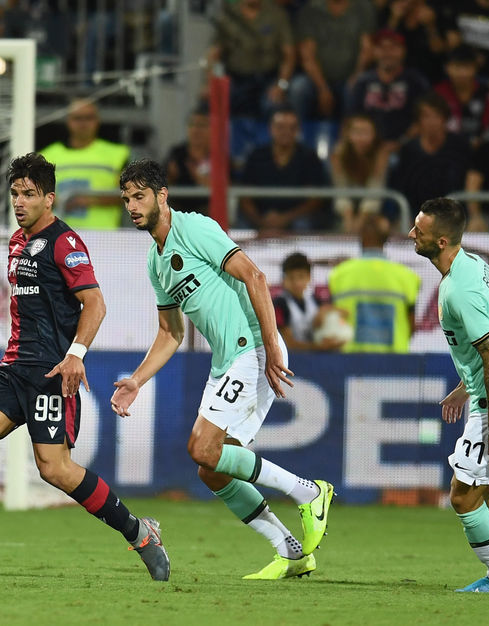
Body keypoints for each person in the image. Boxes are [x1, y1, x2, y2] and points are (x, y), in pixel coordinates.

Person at [0, 153, 170, 581]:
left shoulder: (65, 243)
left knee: (55, 469)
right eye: (15, 193)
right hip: (14, 366)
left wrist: (76, 354)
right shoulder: (16, 242)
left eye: (29, 194)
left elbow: (95, 303)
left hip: (51, 373)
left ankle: (140, 532)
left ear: (49, 199)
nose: (19, 202)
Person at [111, 158, 334, 580]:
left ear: (162, 195)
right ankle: (290, 552)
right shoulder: (156, 261)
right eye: (126, 199)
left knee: (202, 448)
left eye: (140, 197)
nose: (132, 207)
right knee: (211, 469)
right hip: (227, 359)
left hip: (252, 348)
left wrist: (271, 346)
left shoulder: (194, 229)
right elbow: (171, 333)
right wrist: (137, 380)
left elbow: (255, 277)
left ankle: (308, 492)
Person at [409, 197, 489, 593]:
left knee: (463, 498)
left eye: (419, 231)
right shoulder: (474, 265)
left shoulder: (458, 290)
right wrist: (463, 389)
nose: (411, 234)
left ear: (441, 241)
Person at [328, 214, 420, 353]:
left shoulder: (338, 275)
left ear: (361, 236)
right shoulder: (407, 277)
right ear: (386, 238)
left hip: (349, 361)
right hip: (395, 362)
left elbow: (331, 320)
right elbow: (411, 326)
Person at [40, 98, 130, 230]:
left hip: (103, 235)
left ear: (97, 120)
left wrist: (88, 201)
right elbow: (35, 196)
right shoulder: (47, 156)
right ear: (68, 121)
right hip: (58, 234)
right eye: (77, 118)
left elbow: (129, 193)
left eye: (89, 118)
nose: (83, 123)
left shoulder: (118, 154)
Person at [236, 107, 331, 232]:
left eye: (292, 127)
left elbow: (315, 200)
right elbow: (244, 196)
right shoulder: (256, 156)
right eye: (280, 127)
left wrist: (285, 219)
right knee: (241, 225)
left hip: (296, 218)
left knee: (303, 224)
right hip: (260, 218)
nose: (286, 132)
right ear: (271, 129)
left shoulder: (309, 157)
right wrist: (261, 221)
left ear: (298, 130)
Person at [387, 92, 469, 228]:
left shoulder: (460, 146)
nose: (431, 122)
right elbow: (401, 187)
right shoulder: (408, 150)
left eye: (436, 116)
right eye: (426, 116)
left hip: (454, 214)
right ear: (419, 121)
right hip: (415, 214)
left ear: (445, 119)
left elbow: (466, 184)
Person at [206, 0, 296, 118]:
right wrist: (210, 83)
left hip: (268, 79)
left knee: (274, 107)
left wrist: (281, 85)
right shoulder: (228, 15)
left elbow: (289, 55)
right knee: (215, 104)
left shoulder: (277, 14)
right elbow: (214, 54)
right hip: (237, 79)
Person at [290, 0, 376, 121]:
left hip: (351, 76)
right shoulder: (310, 10)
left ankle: (350, 131)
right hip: (316, 79)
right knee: (298, 88)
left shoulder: (363, 7)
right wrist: (322, 88)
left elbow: (367, 49)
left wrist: (356, 76)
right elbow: (307, 56)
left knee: (357, 87)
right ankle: (297, 131)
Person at [348, 28, 430, 149]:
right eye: (382, 48)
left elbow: (424, 120)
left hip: (407, 149)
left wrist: (399, 144)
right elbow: (352, 120)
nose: (387, 53)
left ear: (403, 51)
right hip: (368, 148)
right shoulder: (363, 82)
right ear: (374, 51)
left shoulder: (416, 81)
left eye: (393, 48)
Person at [329, 113, 392, 233]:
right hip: (344, 212)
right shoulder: (338, 154)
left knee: (380, 226)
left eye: (366, 132)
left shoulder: (381, 154)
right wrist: (348, 219)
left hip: (375, 210)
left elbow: (375, 191)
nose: (361, 138)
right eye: (357, 132)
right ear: (348, 134)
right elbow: (340, 191)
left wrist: (360, 220)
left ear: (374, 134)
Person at [273, 252, 347, 352]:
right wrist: (320, 347)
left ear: (308, 277)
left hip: (315, 358)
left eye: (301, 277)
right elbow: (288, 344)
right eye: (291, 278)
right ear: (284, 279)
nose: (296, 283)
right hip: (291, 358)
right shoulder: (278, 305)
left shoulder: (315, 301)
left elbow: (344, 313)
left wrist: (326, 312)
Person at [433, 45, 489, 149]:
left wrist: (481, 141)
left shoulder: (486, 93)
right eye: (457, 67)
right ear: (447, 68)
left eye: (467, 67)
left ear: (475, 68)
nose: (462, 73)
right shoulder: (438, 93)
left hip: (480, 148)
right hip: (445, 148)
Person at [162, 104, 216, 214]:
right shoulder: (177, 154)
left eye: (201, 125)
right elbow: (161, 184)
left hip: (208, 215)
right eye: (192, 124)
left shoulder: (218, 156)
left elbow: (230, 188)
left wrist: (203, 180)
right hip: (179, 213)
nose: (196, 130)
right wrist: (171, 177)